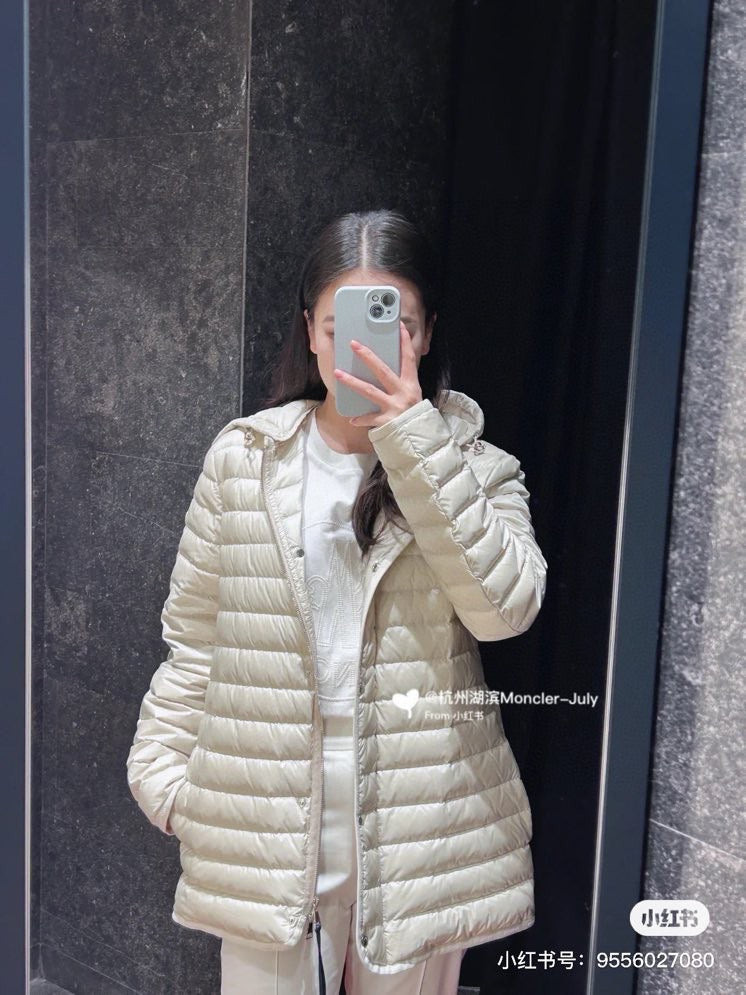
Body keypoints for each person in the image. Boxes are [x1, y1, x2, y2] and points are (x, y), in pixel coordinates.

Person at [126, 209, 548, 994]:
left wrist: (414, 437)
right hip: (267, 812)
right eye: (337, 327)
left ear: (424, 335)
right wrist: (165, 776)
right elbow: (197, 635)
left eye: (396, 326)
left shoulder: (479, 467)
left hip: (423, 823)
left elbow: (505, 609)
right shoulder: (245, 459)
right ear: (312, 334)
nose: (362, 348)